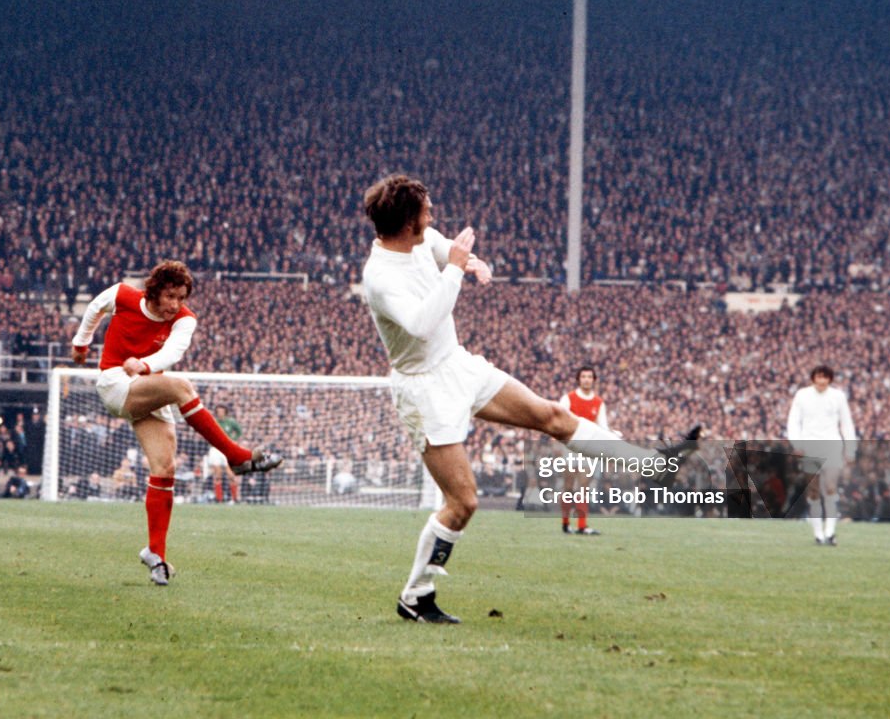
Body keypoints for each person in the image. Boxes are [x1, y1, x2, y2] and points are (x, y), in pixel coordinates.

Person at [361, 175, 699, 623]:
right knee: (463, 503)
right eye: (426, 211)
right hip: (424, 389)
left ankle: (652, 466)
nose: (433, 216)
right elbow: (422, 322)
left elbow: (444, 250)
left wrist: (471, 262)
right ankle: (415, 595)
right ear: (407, 223)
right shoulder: (381, 276)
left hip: (457, 365)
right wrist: (458, 270)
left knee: (552, 414)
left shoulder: (420, 241)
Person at [71, 260, 283, 586]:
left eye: (181, 297)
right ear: (154, 290)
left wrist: (143, 364)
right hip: (115, 382)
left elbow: (172, 353)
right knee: (182, 387)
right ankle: (237, 456)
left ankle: (156, 555)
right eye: (170, 296)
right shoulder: (125, 296)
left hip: (145, 385)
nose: (175, 304)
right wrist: (81, 343)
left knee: (165, 469)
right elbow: (96, 307)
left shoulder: (185, 320)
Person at [786, 365, 857, 545]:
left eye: (825, 377)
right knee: (814, 490)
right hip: (810, 447)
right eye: (819, 377)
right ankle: (818, 534)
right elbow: (793, 421)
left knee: (831, 487)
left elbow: (846, 423)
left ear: (830, 379)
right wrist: (797, 444)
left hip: (832, 446)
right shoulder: (802, 395)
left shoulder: (838, 396)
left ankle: (830, 532)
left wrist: (850, 449)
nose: (822, 381)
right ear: (813, 378)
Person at [557, 366, 613, 536]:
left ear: (594, 380)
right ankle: (566, 523)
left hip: (587, 449)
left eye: (589, 377)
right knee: (568, 487)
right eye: (584, 376)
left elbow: (603, 427)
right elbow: (559, 420)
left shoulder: (598, 402)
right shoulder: (568, 399)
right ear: (578, 379)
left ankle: (582, 525)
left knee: (583, 487)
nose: (587, 379)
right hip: (571, 447)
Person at [205, 405, 243, 504]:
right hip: (216, 449)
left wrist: (233, 440)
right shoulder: (214, 421)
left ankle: (235, 499)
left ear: (225, 412)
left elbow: (239, 431)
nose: (220, 413)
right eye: (218, 411)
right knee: (217, 475)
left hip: (227, 449)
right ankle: (219, 499)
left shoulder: (230, 422)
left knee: (231, 475)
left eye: (222, 411)